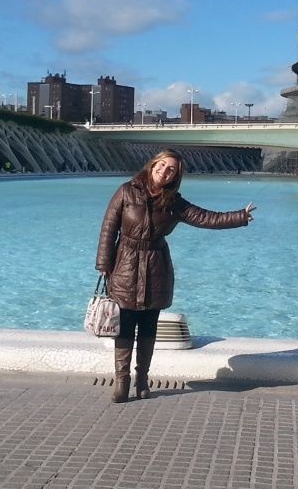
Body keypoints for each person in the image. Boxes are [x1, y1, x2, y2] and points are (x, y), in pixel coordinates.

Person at [96, 148, 256, 403]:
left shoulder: (174, 202)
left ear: (175, 176)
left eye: (171, 169)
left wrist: (239, 217)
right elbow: (108, 227)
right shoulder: (127, 190)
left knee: (148, 328)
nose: (164, 171)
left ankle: (143, 379)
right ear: (153, 164)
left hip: (156, 267)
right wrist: (104, 263)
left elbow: (205, 218)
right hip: (125, 264)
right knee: (124, 327)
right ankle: (122, 381)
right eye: (162, 165)